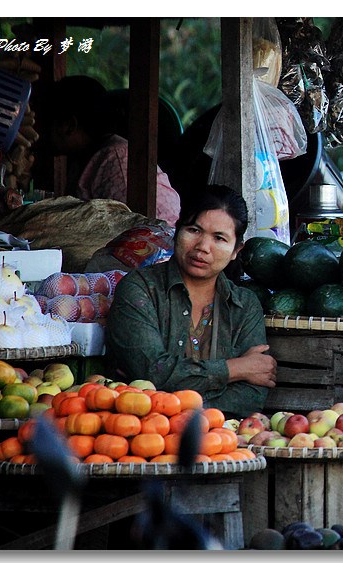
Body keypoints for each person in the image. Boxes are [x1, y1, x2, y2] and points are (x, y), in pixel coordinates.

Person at [105, 184, 277, 418]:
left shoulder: (244, 306)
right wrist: (234, 369)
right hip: (140, 436)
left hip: (219, 444)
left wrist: (173, 403)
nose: (202, 247)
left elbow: (250, 397)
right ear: (177, 229)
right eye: (194, 230)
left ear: (236, 249)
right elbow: (150, 373)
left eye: (219, 238)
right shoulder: (140, 289)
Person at [35, 75, 181, 225]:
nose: (38, 131)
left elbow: (148, 228)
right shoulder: (84, 156)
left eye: (43, 123)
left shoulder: (115, 161)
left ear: (69, 126)